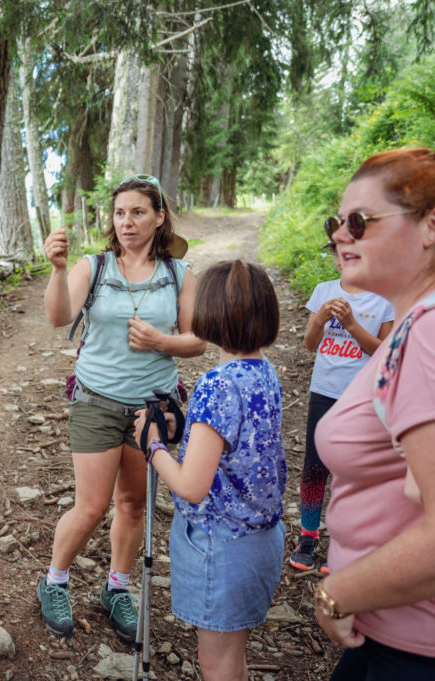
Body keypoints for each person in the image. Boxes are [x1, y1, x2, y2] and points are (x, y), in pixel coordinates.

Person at [312, 147, 435, 679]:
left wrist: (337, 592)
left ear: (433, 226)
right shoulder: (429, 318)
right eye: (337, 221)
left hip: (432, 647)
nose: (341, 234)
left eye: (360, 221)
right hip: (402, 632)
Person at [38, 175, 205, 640]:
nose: (127, 221)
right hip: (96, 401)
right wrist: (56, 269)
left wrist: (162, 341)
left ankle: (117, 587)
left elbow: (198, 341)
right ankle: (54, 580)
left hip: (151, 409)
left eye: (137, 212)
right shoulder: (93, 267)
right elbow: (57, 318)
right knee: (91, 507)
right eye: (119, 213)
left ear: (159, 217)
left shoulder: (180, 275)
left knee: (133, 504)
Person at [136, 260, 285, 681]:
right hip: (261, 539)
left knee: (216, 664)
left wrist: (153, 447)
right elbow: (232, 448)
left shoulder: (218, 383)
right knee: (232, 654)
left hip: (221, 545)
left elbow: (191, 486)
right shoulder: (265, 373)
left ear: (210, 314)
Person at [289, 248, 394, 573]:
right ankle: (308, 535)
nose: (344, 259)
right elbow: (310, 343)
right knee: (315, 464)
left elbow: (384, 353)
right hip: (324, 391)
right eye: (339, 254)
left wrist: (350, 324)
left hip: (361, 397)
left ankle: (346, 542)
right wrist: (320, 319)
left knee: (353, 469)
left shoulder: (384, 299)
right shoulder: (324, 290)